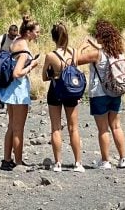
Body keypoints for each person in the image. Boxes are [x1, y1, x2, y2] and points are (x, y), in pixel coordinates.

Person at [75, 19, 125, 169]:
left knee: (103, 128)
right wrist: (95, 45)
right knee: (116, 126)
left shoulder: (96, 54)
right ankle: (123, 159)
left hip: (99, 94)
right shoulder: (118, 52)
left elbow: (75, 60)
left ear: (101, 37)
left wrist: (81, 47)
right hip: (115, 91)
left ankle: (105, 161)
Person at [0, 14, 40, 171]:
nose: (38, 34)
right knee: (18, 128)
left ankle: (7, 159)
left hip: (9, 90)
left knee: (11, 126)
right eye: (37, 32)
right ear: (29, 32)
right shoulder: (24, 48)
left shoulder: (15, 42)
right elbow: (17, 72)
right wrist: (32, 65)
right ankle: (19, 162)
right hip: (19, 90)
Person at [42, 23, 84, 172]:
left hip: (55, 90)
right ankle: (78, 163)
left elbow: (44, 77)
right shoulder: (74, 52)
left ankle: (58, 163)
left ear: (53, 37)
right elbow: (75, 70)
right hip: (71, 91)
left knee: (55, 128)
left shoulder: (50, 56)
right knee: (74, 128)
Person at [0, 24, 19, 111]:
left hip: (13, 62)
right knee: (3, 80)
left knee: (12, 81)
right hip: (3, 62)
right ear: (8, 32)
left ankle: (8, 100)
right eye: (12, 35)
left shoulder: (17, 39)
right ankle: (2, 99)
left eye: (15, 35)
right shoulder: (1, 38)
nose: (13, 37)